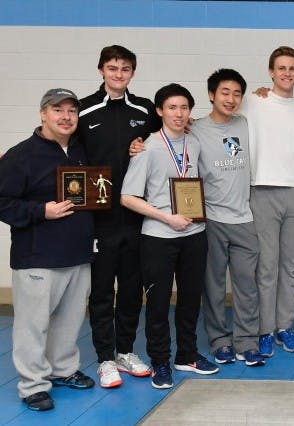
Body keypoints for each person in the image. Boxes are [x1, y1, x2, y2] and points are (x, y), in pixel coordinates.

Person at [0, 89, 96, 411]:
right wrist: (42, 211)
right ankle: (32, 385)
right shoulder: (21, 155)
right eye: (58, 110)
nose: (66, 116)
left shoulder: (81, 150)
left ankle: (63, 370)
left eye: (72, 111)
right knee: (33, 325)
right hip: (37, 258)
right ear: (43, 114)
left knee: (69, 322)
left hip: (77, 255)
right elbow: (3, 202)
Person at [121, 83, 218, 389]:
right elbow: (127, 197)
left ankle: (186, 354)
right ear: (160, 111)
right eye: (172, 108)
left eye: (184, 108)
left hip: (195, 234)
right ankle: (160, 361)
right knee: (160, 303)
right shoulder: (147, 148)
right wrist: (167, 217)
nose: (179, 113)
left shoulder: (195, 143)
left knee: (190, 299)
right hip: (159, 236)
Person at [78, 45, 159, 388]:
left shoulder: (144, 110)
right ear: (101, 70)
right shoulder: (83, 110)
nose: (118, 74)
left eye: (125, 69)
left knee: (130, 289)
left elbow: (173, 130)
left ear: (132, 73)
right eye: (112, 68)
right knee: (100, 292)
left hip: (136, 215)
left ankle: (125, 351)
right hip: (98, 219)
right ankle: (105, 359)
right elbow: (58, 144)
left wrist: (144, 143)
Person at [239, 46, 294, 356]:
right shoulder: (253, 102)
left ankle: (284, 327)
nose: (287, 73)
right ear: (271, 71)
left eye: (292, 68)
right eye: (281, 68)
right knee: (266, 266)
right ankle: (265, 330)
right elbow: (223, 122)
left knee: (291, 266)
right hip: (261, 193)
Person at [191, 69, 266, 367]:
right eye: (225, 92)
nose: (231, 99)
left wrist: (266, 92)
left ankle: (246, 342)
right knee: (213, 285)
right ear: (211, 94)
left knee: (247, 285)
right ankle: (220, 341)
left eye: (237, 94)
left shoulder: (246, 124)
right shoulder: (194, 129)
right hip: (211, 220)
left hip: (244, 219)